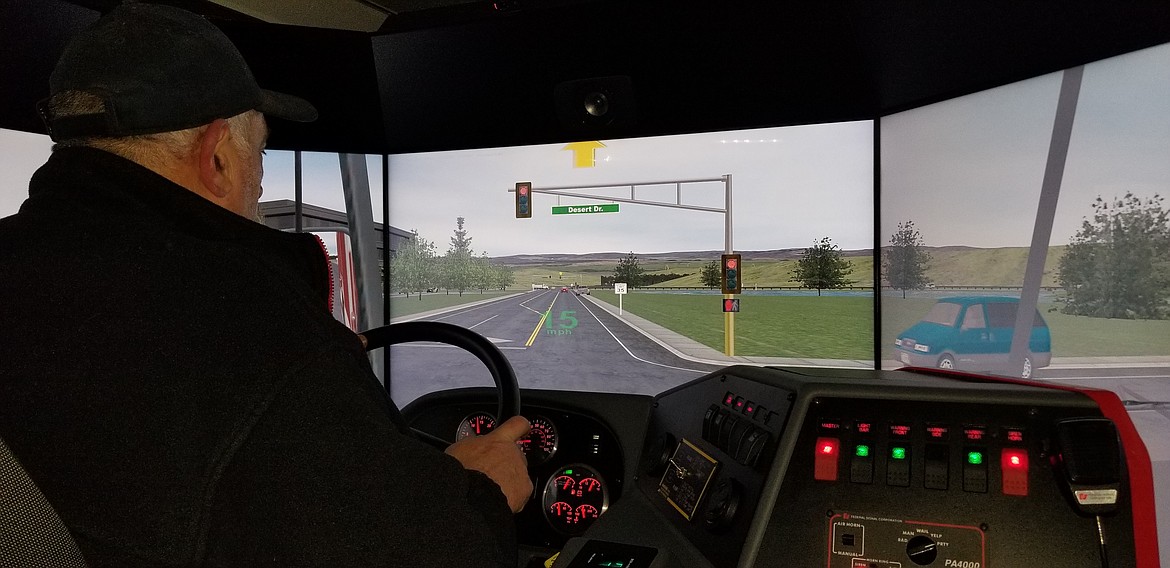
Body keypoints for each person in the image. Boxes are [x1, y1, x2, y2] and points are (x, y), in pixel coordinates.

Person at [0, 4, 532, 567]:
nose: (260, 178)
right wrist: (483, 493)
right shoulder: (250, 329)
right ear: (219, 159)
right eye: (259, 154)